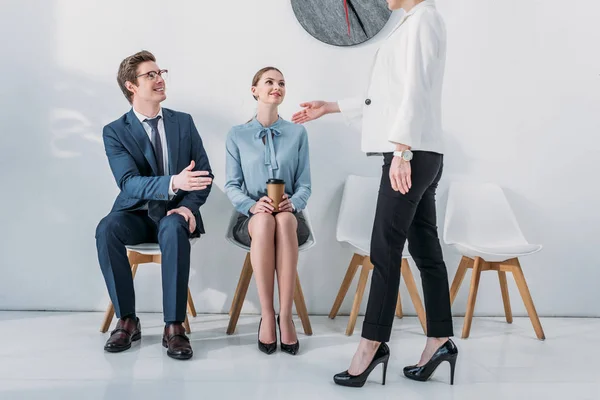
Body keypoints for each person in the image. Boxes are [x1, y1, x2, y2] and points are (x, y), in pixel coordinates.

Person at [292, 0, 458, 386]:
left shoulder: (423, 20)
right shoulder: (414, 21)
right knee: (426, 252)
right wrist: (331, 106)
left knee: (385, 249)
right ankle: (440, 339)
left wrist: (401, 150)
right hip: (422, 150)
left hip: (410, 152)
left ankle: (371, 345)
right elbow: (390, 96)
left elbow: (414, 90)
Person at [95, 50, 213, 360]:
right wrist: (174, 182)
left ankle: (174, 326)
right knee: (106, 229)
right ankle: (127, 319)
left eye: (161, 73)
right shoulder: (115, 131)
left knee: (174, 228)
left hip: (175, 214)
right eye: (151, 75)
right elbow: (129, 183)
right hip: (135, 213)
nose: (160, 79)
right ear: (131, 86)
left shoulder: (183, 123)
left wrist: (188, 207)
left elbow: (204, 175)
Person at [225, 67, 311, 356]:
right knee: (264, 223)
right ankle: (267, 314)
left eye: (282, 83)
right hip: (250, 216)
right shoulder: (237, 134)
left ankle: (285, 317)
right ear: (255, 90)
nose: (277, 87)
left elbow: (305, 185)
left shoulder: (298, 133)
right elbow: (231, 185)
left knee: (284, 221)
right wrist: (252, 205)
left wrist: (294, 202)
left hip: (289, 214)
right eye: (270, 82)